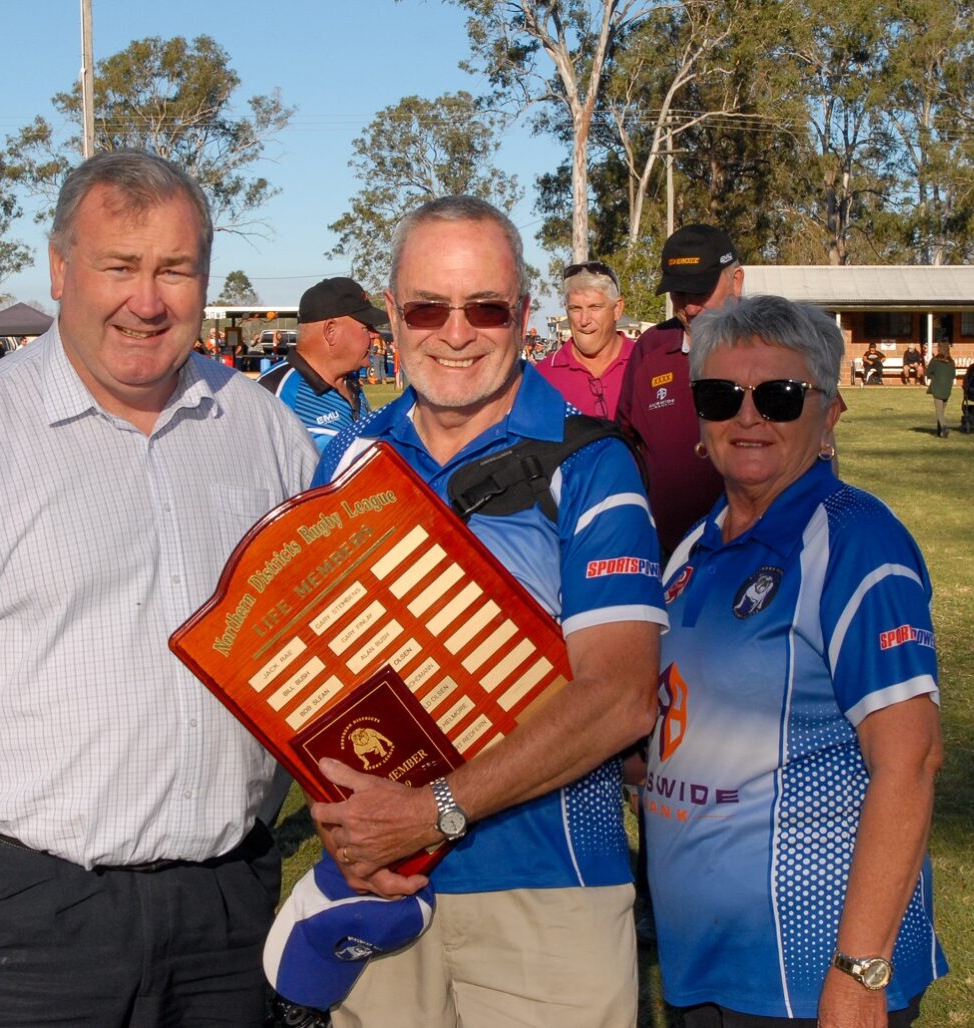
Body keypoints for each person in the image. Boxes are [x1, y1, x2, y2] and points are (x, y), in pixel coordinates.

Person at [0, 151, 318, 1025]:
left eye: (175, 270)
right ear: (59, 268)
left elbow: (316, 646)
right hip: (19, 923)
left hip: (228, 913)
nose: (147, 300)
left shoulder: (265, 433)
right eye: (119, 266)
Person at [308, 196, 666, 1028]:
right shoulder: (349, 459)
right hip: (381, 893)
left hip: (550, 895)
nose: (456, 332)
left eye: (486, 308)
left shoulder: (592, 462)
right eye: (429, 307)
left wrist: (432, 810)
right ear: (393, 316)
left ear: (523, 316)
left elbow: (620, 695)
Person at [644, 294, 947, 1028]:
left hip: (810, 982)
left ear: (829, 415)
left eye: (779, 396)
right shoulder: (694, 547)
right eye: (721, 396)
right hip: (706, 968)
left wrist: (859, 974)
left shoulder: (854, 544)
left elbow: (911, 761)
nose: (748, 418)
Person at [617, 223, 740, 555]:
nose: (689, 307)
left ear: (736, 282)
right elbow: (626, 443)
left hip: (753, 561)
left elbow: (820, 443)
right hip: (663, 560)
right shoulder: (650, 348)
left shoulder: (775, 342)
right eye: (679, 294)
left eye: (700, 292)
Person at [258, 276, 386, 450]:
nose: (375, 334)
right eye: (367, 327)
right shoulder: (274, 392)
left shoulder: (351, 382)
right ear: (330, 331)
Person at [535, 260, 634, 418]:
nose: (584, 320)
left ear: (617, 309)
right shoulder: (541, 377)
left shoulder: (645, 364)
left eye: (595, 307)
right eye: (575, 308)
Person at [924, 341, 955, 437]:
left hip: (937, 387)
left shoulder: (935, 360)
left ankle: (944, 427)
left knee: (939, 411)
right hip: (947, 388)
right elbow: (953, 375)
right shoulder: (951, 361)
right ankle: (939, 431)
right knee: (942, 411)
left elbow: (928, 373)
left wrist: (932, 376)